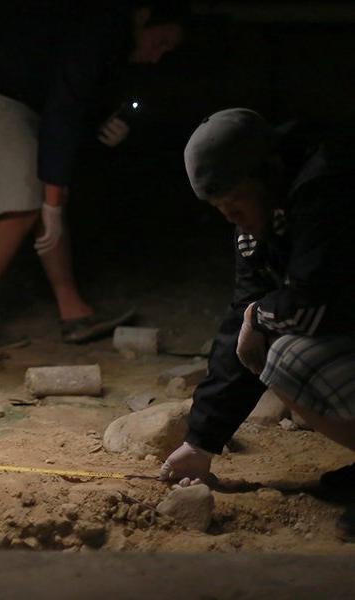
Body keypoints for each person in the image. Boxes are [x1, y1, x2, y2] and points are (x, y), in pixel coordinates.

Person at [0, 1, 188, 347]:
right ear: (145, 15)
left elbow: (71, 100)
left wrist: (101, 125)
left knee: (48, 197)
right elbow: (64, 112)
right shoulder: (100, 24)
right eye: (160, 42)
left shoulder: (108, 37)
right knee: (23, 205)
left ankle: (73, 312)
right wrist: (53, 206)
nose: (156, 56)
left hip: (17, 97)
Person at [160, 108, 355, 542]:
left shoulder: (329, 189)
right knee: (262, 341)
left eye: (235, 203)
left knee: (284, 350)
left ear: (267, 173)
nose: (230, 217)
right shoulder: (261, 218)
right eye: (219, 209)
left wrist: (258, 317)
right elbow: (241, 316)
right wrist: (201, 440)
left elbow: (315, 299)